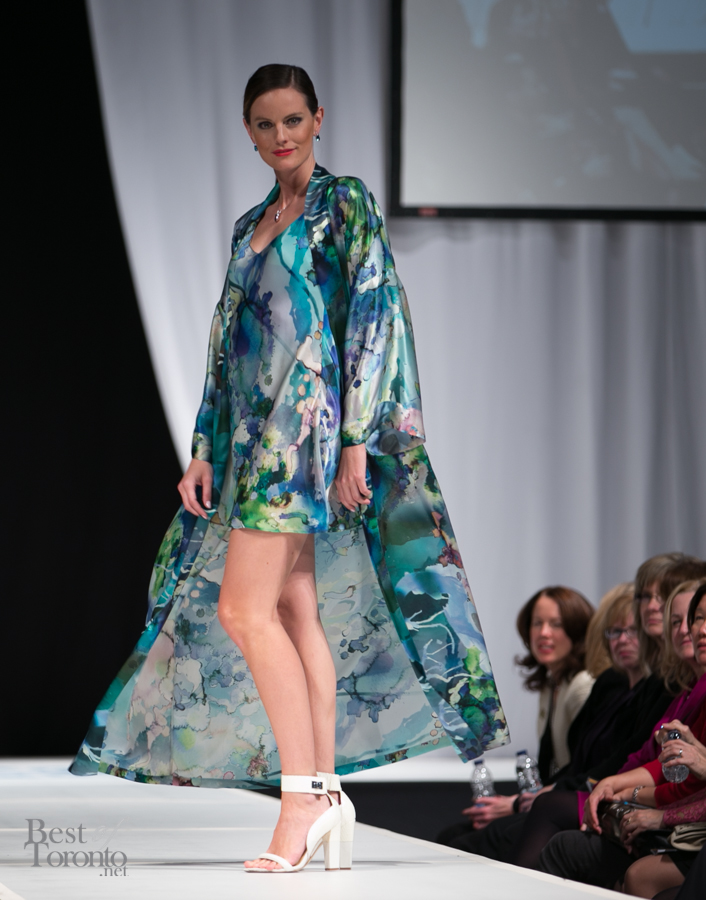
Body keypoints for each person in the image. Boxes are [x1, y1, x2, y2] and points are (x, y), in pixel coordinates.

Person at [68, 64, 508, 873]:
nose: (281, 137)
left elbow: (374, 316)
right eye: (266, 124)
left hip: (304, 436)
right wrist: (204, 447)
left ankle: (301, 799)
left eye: (293, 120)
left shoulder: (345, 204)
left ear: (318, 119)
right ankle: (326, 793)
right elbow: (226, 343)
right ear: (249, 131)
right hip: (250, 441)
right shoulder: (252, 224)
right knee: (295, 610)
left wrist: (356, 438)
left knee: (243, 611)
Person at [536, 580, 706, 890]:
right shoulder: (685, 688)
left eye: (630, 631)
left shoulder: (675, 688)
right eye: (693, 619)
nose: (695, 630)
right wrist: (614, 785)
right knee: (547, 820)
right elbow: (651, 759)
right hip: (669, 815)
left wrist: (633, 797)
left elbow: (688, 779)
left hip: (682, 824)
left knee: (561, 829)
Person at [437, 586, 593, 851]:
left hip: (570, 804)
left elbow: (581, 769)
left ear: (577, 631)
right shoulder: (552, 683)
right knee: (451, 836)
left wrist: (514, 804)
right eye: (537, 623)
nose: (543, 633)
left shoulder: (583, 686)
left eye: (556, 624)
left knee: (465, 843)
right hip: (549, 798)